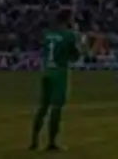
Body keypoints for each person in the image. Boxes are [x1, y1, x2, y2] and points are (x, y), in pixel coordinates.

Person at [30, 8, 80, 152]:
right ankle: (51, 143)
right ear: (68, 19)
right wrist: (77, 39)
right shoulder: (69, 35)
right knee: (56, 108)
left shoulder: (47, 34)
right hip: (60, 74)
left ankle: (34, 142)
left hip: (46, 73)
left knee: (42, 108)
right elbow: (74, 56)